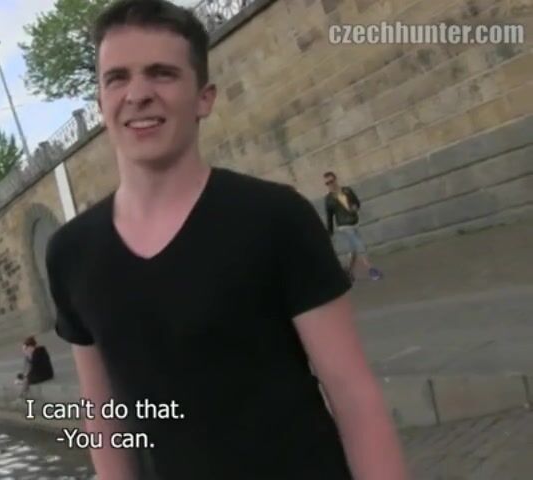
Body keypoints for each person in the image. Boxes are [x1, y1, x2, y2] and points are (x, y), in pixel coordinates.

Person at [44, 1, 409, 479]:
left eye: (162, 74)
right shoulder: (71, 252)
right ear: (101, 103)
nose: (138, 94)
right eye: (117, 78)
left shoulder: (276, 217)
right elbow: (102, 416)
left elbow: (353, 395)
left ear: (204, 98)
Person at [324, 171, 384, 281]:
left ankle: (348, 272)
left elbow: (357, 203)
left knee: (353, 250)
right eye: (327, 183)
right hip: (344, 226)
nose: (330, 185)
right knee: (360, 245)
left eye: (331, 181)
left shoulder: (347, 190)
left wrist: (355, 207)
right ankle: (371, 270)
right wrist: (330, 232)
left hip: (355, 223)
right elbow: (329, 217)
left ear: (335, 180)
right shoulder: (328, 199)